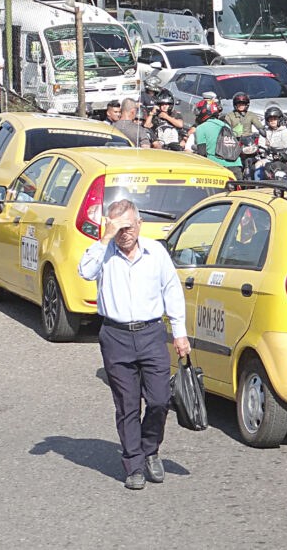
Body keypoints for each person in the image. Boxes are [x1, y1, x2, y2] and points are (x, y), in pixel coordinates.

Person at [78, 199, 189, 488]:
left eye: (129, 226)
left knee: (159, 399)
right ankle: (134, 465)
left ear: (139, 224)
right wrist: (104, 237)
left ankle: (150, 450)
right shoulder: (104, 252)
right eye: (118, 228)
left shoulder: (156, 252)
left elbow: (172, 291)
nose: (125, 233)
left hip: (151, 333)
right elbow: (85, 272)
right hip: (116, 336)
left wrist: (179, 333)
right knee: (127, 404)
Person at [189, 98, 242, 175]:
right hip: (236, 166)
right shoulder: (226, 125)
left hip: (216, 167)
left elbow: (202, 154)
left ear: (204, 112)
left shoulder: (201, 128)